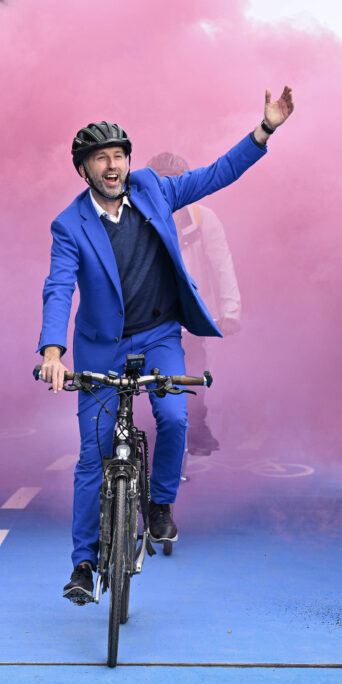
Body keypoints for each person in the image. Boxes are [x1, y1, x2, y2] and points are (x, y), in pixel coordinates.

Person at [38, 88, 294, 603]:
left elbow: (216, 174)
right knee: (95, 456)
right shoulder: (69, 225)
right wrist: (52, 352)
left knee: (175, 418)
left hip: (159, 335)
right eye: (100, 160)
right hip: (98, 348)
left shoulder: (154, 189)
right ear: (83, 170)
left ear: (128, 161)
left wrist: (264, 130)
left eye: (118, 156)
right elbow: (59, 286)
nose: (112, 167)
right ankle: (84, 565)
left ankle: (159, 505)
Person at [147, 152, 243, 457]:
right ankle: (149, 424)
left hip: (189, 310)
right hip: (149, 311)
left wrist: (230, 312)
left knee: (194, 367)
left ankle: (197, 427)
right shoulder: (137, 216)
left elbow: (221, 264)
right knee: (145, 370)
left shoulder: (204, 219)